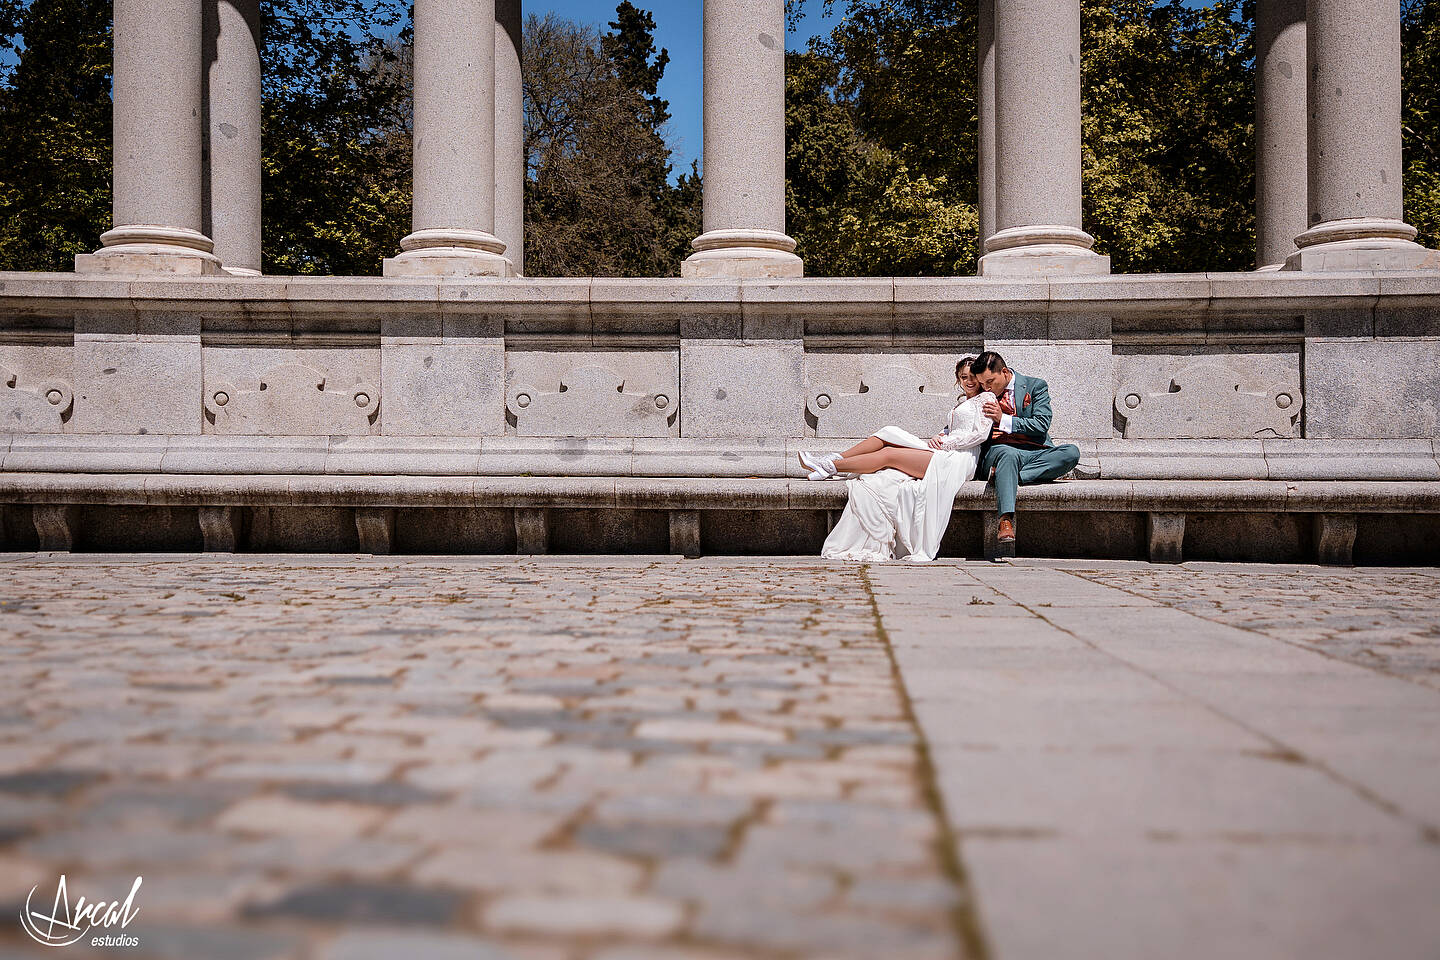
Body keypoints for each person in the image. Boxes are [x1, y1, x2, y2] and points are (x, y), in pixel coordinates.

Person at [801, 358, 995, 562]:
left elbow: (980, 434)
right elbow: (954, 428)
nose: (969, 381)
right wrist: (941, 434)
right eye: (964, 377)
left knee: (889, 455)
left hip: (958, 459)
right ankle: (834, 459)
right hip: (946, 451)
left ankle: (831, 466)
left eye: (973, 377)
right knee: (888, 433)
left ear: (981, 378)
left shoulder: (986, 398)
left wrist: (947, 442)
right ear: (958, 380)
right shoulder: (964, 402)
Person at [968, 351, 1080, 545]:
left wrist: (1003, 420)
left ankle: (1006, 476)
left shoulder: (1035, 386)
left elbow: (1041, 425)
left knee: (1071, 453)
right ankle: (1005, 521)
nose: (986, 388)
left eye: (990, 382)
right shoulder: (983, 394)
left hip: (1035, 451)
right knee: (1007, 454)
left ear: (1004, 372)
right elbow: (964, 418)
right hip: (1000, 452)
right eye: (983, 383)